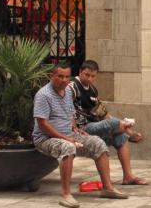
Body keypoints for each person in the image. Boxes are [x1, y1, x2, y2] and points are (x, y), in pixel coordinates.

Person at [33, 62, 128, 208]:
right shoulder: (43, 95)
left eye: (67, 76)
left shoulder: (68, 92)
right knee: (68, 147)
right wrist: (66, 138)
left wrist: (76, 128)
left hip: (68, 133)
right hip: (46, 138)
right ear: (52, 76)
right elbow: (43, 124)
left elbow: (71, 113)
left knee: (98, 143)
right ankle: (66, 195)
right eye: (60, 76)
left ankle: (107, 188)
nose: (64, 80)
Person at [70, 60, 148, 186]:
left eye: (93, 76)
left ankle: (128, 176)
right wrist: (72, 127)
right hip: (81, 128)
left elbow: (102, 112)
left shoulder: (93, 90)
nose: (89, 78)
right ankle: (131, 133)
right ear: (80, 72)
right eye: (86, 75)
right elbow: (65, 106)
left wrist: (118, 123)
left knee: (120, 136)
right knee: (113, 124)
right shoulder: (72, 86)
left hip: (94, 125)